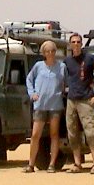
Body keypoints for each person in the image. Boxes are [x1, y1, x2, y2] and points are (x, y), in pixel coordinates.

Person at [64, 33, 94, 174]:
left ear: (81, 44)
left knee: (90, 132)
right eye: (73, 42)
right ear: (70, 44)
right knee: (72, 133)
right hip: (71, 100)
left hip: (86, 100)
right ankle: (77, 163)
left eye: (78, 42)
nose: (76, 44)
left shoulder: (89, 58)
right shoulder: (67, 61)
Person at [23, 40, 66, 173]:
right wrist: (32, 94)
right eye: (48, 51)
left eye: (53, 51)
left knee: (54, 134)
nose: (51, 53)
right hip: (40, 105)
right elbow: (29, 80)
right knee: (35, 135)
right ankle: (31, 164)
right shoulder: (38, 66)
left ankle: (52, 164)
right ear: (44, 53)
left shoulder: (61, 67)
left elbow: (65, 83)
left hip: (55, 105)